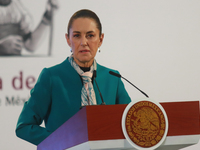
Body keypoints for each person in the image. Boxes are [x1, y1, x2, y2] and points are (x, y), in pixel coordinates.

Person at [15, 9, 131, 145]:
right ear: (68, 39)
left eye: (90, 35)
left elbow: (131, 124)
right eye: (76, 36)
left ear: (101, 39)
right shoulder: (52, 77)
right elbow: (24, 127)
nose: (83, 42)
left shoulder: (113, 78)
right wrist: (62, 140)